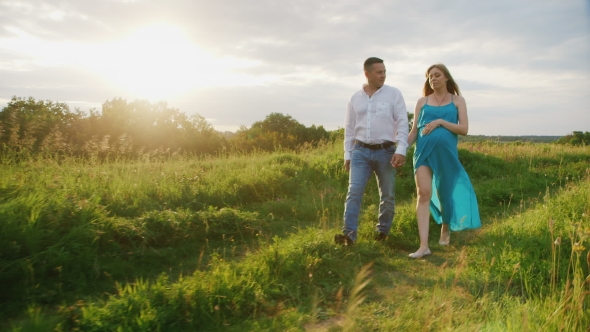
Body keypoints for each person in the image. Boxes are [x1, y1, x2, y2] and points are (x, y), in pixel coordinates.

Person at [407, 63, 481, 258]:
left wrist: (440, 122)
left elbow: (463, 129)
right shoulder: (422, 102)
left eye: (437, 75)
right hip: (422, 152)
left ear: (446, 77)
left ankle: (445, 228)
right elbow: (414, 131)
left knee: (444, 194)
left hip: (447, 154)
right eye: (430, 76)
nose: (433, 79)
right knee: (423, 193)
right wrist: (399, 150)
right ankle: (424, 246)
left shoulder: (457, 101)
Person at [335, 57, 409, 246]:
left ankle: (382, 232)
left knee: (387, 195)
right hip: (360, 151)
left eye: (384, 72)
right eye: (379, 72)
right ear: (367, 74)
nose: (383, 75)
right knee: (354, 192)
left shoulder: (393, 94)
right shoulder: (355, 98)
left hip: (386, 151)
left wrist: (401, 149)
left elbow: (402, 122)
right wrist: (348, 154)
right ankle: (348, 235)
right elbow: (349, 128)